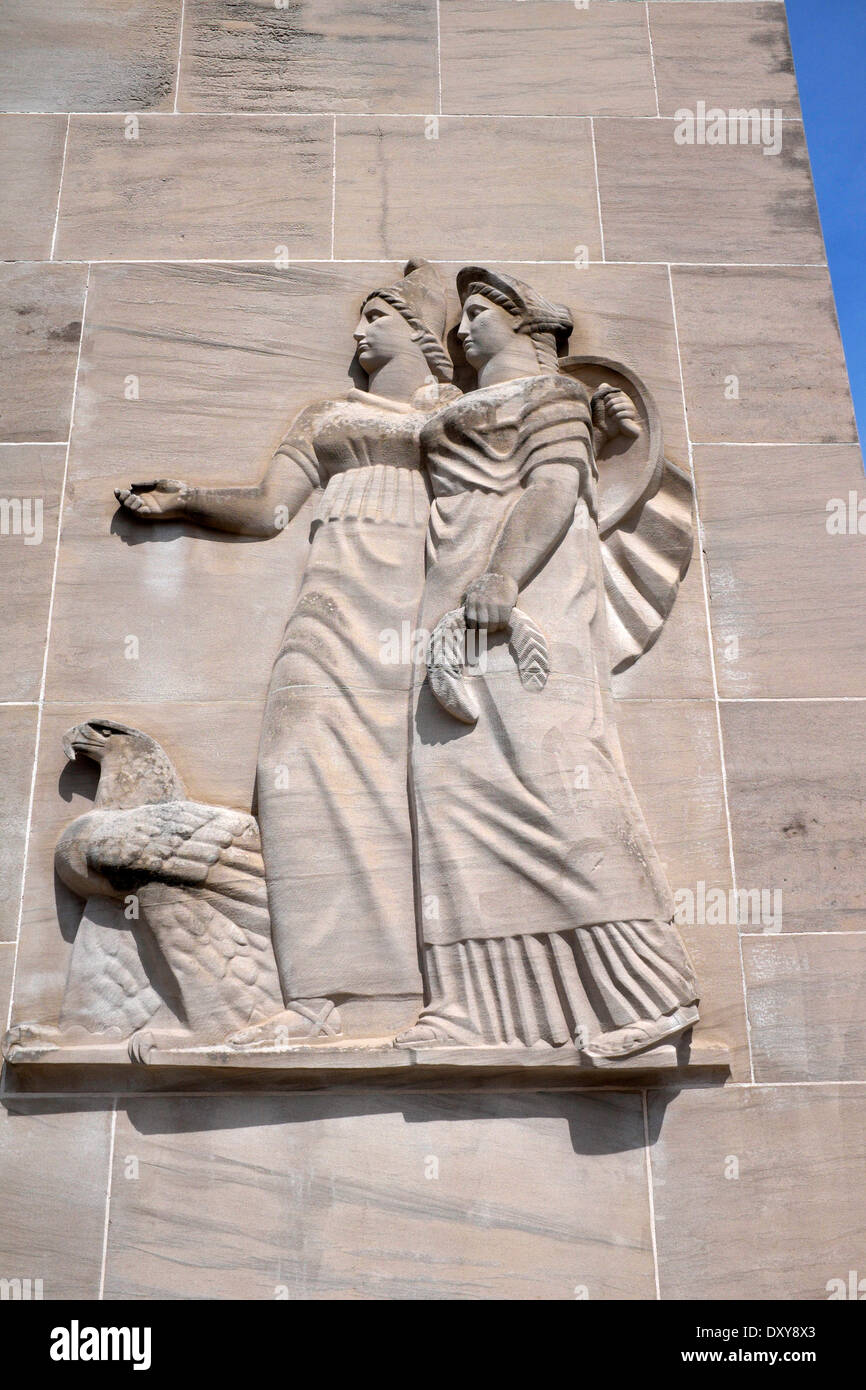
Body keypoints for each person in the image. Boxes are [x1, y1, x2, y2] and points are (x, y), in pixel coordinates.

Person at [116, 261, 460, 1044]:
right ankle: (317, 992)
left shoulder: (460, 410)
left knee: (411, 785)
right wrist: (189, 499)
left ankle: (417, 991)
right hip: (334, 597)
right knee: (296, 763)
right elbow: (271, 512)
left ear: (416, 329)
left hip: (421, 599)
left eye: (375, 316)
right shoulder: (325, 413)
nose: (355, 331)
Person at [398, 266, 699, 1058]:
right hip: (449, 597)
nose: (463, 330)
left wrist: (502, 574)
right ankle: (471, 1005)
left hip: (523, 602)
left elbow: (556, 488)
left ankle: (654, 991)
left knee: (557, 779)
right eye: (458, 315)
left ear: (524, 324)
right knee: (453, 797)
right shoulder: (460, 406)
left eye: (477, 313)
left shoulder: (552, 398)